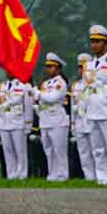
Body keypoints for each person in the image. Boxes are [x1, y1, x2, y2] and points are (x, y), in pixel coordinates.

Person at [77, 28, 107, 186]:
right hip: (92, 110)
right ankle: (103, 178)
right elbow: (85, 90)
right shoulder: (88, 65)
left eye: (98, 42)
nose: (94, 45)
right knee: (97, 148)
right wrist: (82, 111)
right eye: (92, 41)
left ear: (106, 44)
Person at [33, 53, 73, 183]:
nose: (48, 69)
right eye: (47, 66)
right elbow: (42, 101)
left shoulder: (61, 83)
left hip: (57, 120)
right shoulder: (45, 84)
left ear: (58, 69)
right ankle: (52, 174)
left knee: (59, 149)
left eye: (51, 66)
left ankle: (62, 175)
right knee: (48, 149)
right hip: (45, 120)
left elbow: (51, 98)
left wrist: (38, 93)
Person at [0, 62, 34, 182]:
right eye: (7, 70)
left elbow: (28, 106)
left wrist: (28, 124)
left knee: (20, 151)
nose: (8, 72)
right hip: (4, 122)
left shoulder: (24, 86)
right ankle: (11, 174)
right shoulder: (1, 86)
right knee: (8, 150)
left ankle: (22, 175)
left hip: (18, 122)